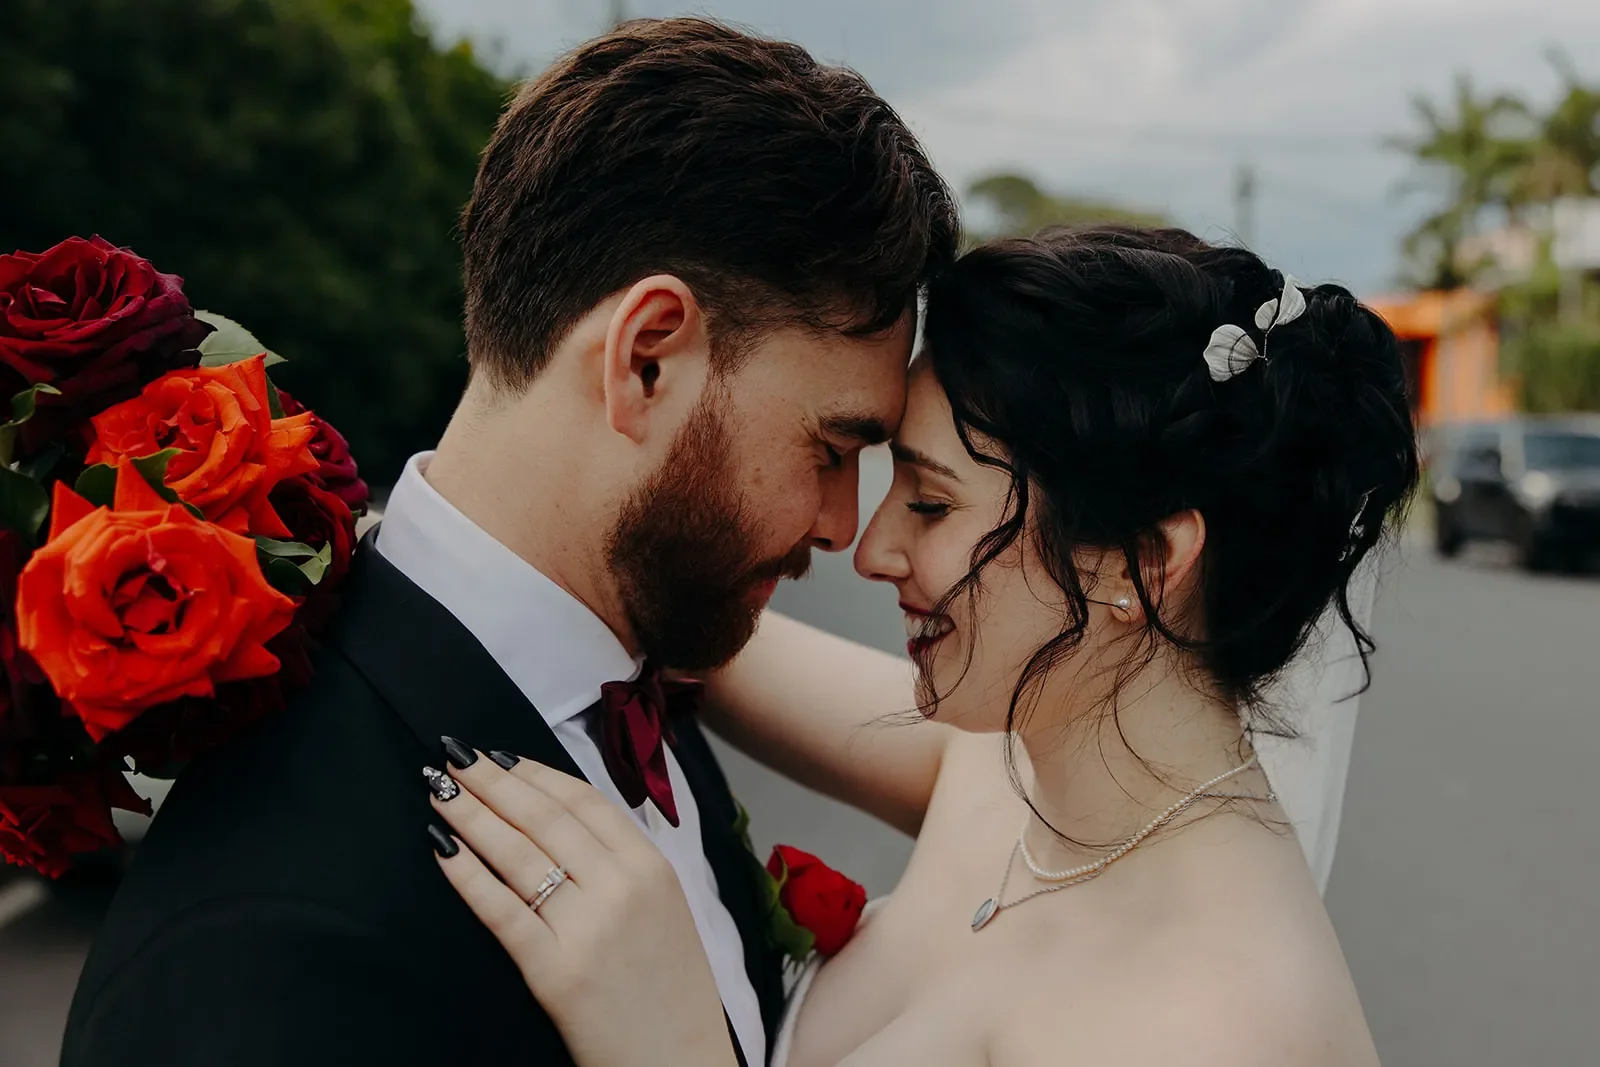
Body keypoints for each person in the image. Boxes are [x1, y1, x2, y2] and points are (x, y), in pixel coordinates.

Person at [59, 19, 958, 1067]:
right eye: (831, 448)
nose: (843, 526)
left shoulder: (647, 654)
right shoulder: (260, 945)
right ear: (646, 358)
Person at [423, 227, 1419, 1066]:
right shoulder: (1005, 765)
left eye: (931, 502)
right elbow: (668, 622)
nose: (869, 549)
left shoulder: (1227, 1026)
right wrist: (382, 536)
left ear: (1143, 561)